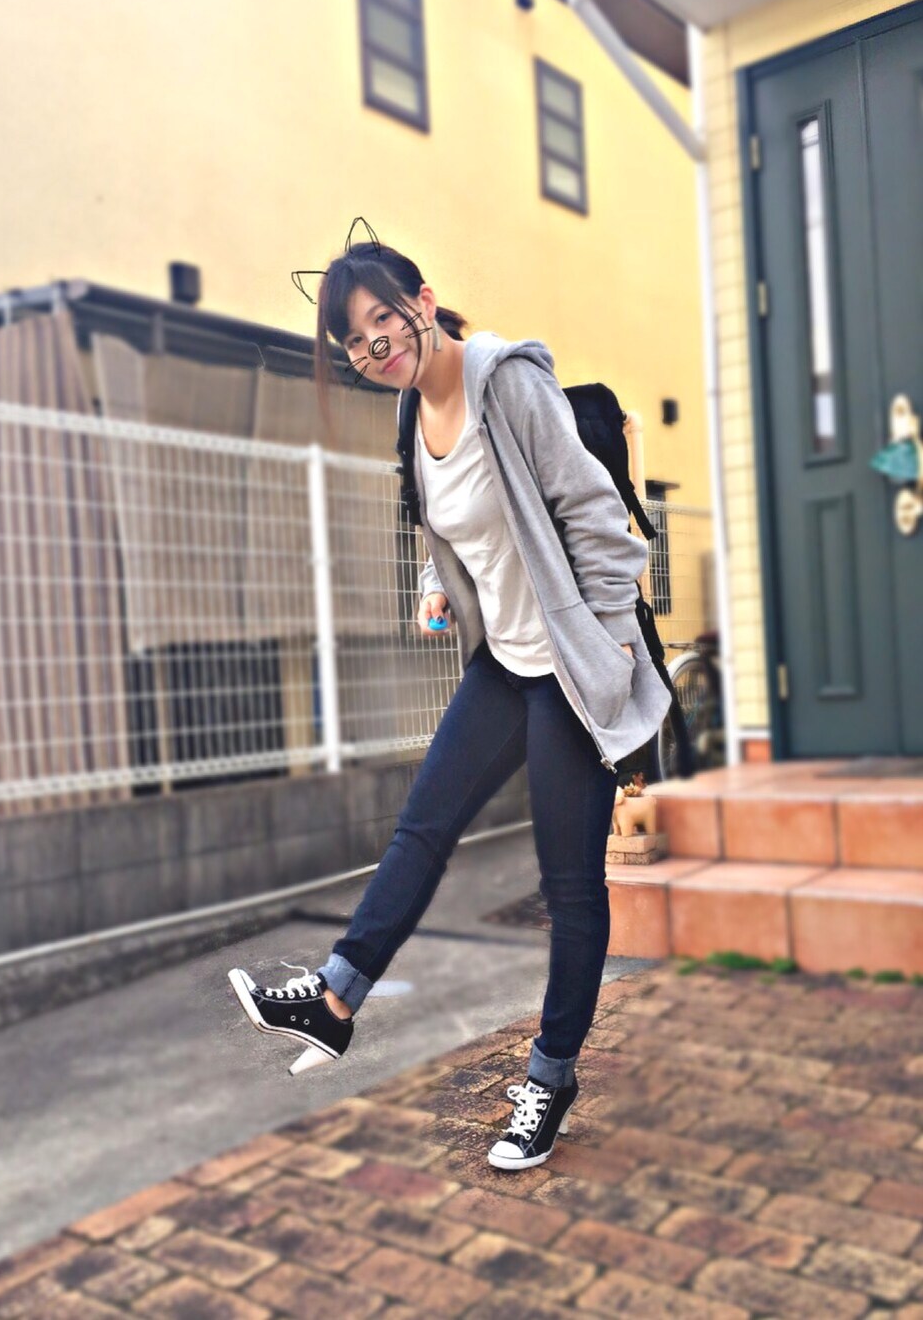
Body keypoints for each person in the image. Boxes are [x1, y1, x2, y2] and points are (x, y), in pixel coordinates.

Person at [228, 240, 672, 1170]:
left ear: (421, 302)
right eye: (355, 343)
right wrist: (439, 586)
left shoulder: (508, 384)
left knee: (569, 885)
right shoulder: (410, 412)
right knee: (422, 825)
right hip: (505, 662)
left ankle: (549, 1078)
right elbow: (445, 524)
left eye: (382, 321)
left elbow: (595, 518)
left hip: (571, 667)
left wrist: (612, 650)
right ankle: (335, 1000)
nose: (374, 347)